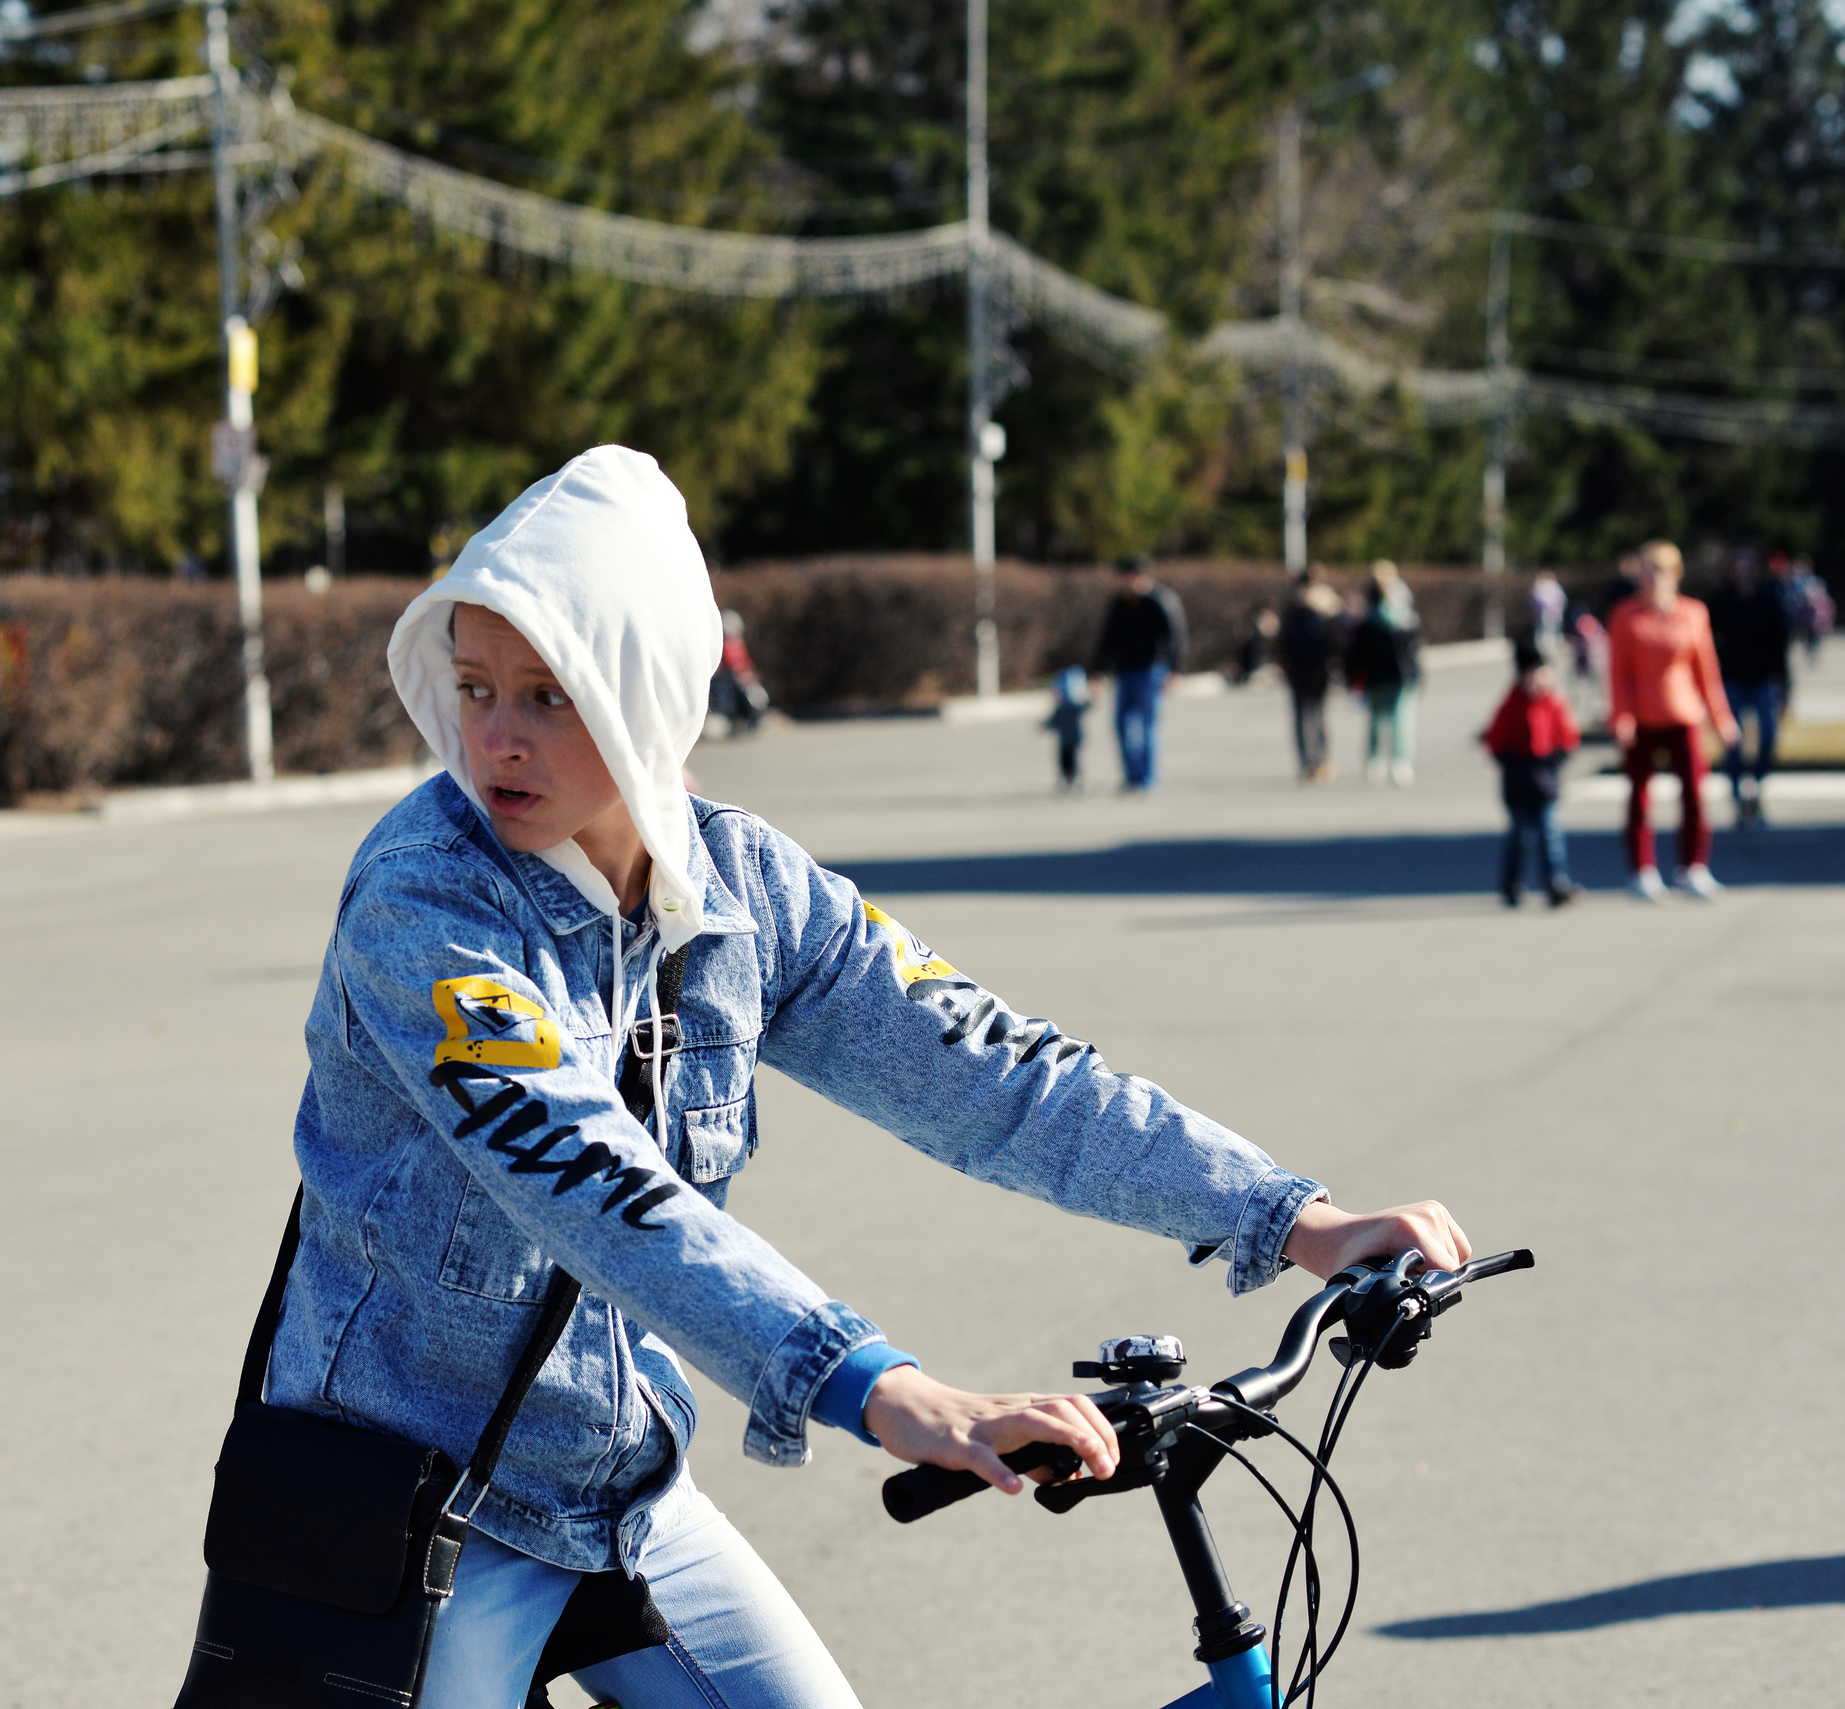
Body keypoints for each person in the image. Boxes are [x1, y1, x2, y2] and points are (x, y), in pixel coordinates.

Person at [268, 446, 1472, 1709]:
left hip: (618, 1491)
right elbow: (587, 1175)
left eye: (548, 695)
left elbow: (995, 1072)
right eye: (472, 686)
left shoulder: (744, 887)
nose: (494, 737)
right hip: (414, 1509)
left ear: (643, 695)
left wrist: (1289, 1217)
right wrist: (880, 1386)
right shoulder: (425, 897)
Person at [1608, 540, 1738, 901]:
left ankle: (1693, 867)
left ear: (1675, 575)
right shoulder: (1625, 615)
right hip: (1642, 717)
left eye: (1658, 571)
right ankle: (1641, 870)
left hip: (1684, 715)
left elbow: (1706, 672)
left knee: (1695, 795)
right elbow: (1618, 673)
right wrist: (1621, 716)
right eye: (1645, 572)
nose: (1651, 580)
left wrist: (1721, 717)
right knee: (1639, 797)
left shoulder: (1693, 614)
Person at [1480, 636, 1582, 908]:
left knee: (1551, 834)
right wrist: (1509, 759)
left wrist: (1558, 756)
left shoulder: (1553, 702)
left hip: (1546, 779)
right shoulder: (1512, 703)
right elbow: (1494, 739)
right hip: (1518, 780)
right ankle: (1513, 883)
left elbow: (1569, 734)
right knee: (1520, 836)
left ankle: (1556, 883)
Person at [1090, 553, 1186, 792]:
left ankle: (1147, 777)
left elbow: (1176, 637)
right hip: (1124, 671)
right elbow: (1108, 640)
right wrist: (1097, 672)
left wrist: (1175, 670)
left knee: (1147, 725)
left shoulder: (1160, 600)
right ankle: (1131, 775)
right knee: (1121, 725)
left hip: (1152, 670)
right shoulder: (1119, 604)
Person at [1709, 553, 1792, 828]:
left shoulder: (1769, 600)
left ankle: (1754, 786)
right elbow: (1707, 646)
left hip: (1762, 679)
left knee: (1768, 737)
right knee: (1733, 741)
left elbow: (1780, 647)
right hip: (1731, 679)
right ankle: (1738, 796)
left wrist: (1786, 689)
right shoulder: (1721, 600)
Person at [1344, 560, 1423, 786]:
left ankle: (1398, 760)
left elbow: (1414, 646)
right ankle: (1378, 759)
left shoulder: (1403, 612)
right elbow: (1358, 650)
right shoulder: (1370, 615)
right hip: (1381, 674)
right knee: (1381, 719)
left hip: (1399, 675)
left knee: (1400, 720)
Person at [1276, 578, 1344, 783]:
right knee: (1320, 718)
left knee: (1300, 719)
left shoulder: (1289, 615)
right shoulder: (1323, 616)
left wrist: (1284, 668)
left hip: (1296, 674)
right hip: (1320, 674)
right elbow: (1335, 645)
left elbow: (1280, 646)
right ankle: (1323, 761)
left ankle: (1306, 763)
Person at [707, 608, 770, 736]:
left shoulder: (738, 643)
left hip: (744, 680)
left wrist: (749, 674)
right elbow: (726, 665)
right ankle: (734, 719)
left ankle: (753, 718)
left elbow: (746, 663)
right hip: (730, 680)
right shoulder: (722, 645)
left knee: (757, 695)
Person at [1042, 666, 1090, 791]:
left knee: (1073, 760)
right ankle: (1066, 779)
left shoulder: (1074, 707)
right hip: (1064, 741)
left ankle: (1075, 779)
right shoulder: (1060, 709)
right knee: (1063, 760)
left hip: (1074, 739)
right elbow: (1052, 721)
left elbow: (1086, 706)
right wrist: (1045, 725)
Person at [1530, 570, 1567, 648]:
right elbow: (1562, 599)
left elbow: (1537, 598)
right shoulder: (1555, 585)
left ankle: (1547, 644)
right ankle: (1552, 643)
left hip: (1545, 612)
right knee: (1552, 628)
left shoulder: (1540, 585)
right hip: (1555, 611)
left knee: (1546, 628)